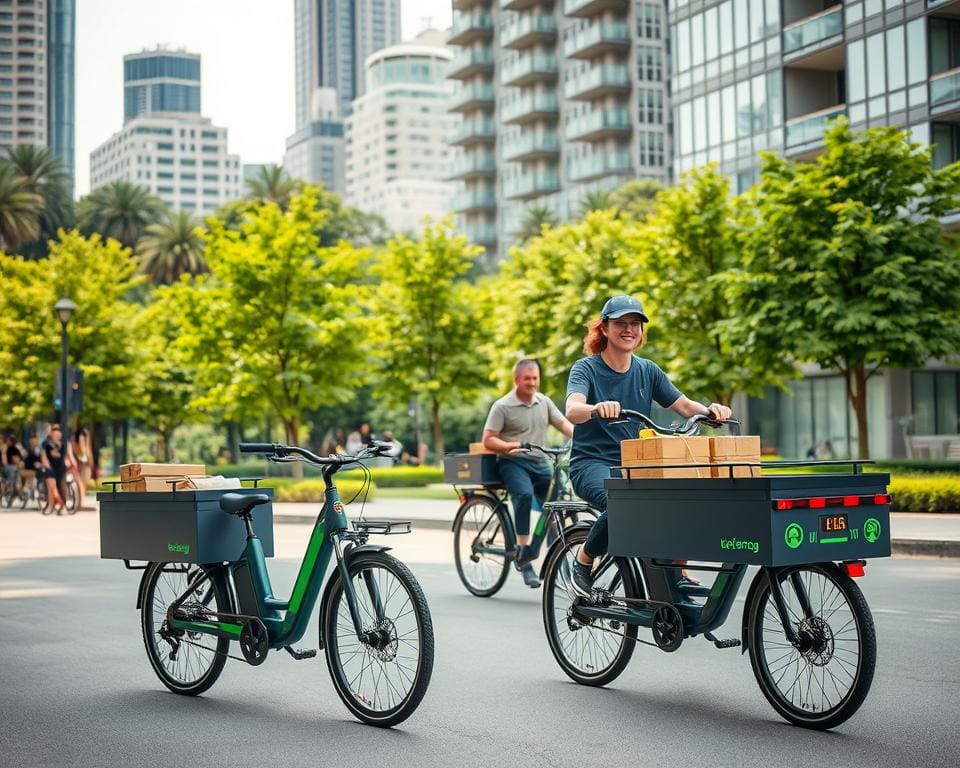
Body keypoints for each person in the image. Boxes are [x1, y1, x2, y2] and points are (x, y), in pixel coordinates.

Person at [564, 295, 731, 596]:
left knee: (679, 495)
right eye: (620, 324)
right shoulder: (585, 369)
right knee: (623, 502)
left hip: (636, 463)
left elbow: (682, 404)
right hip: (592, 464)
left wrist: (710, 411)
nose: (629, 329)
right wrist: (595, 408)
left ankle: (676, 571)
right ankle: (584, 561)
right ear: (604, 328)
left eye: (635, 324)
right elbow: (572, 409)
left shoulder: (647, 370)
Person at [482, 358, 574, 588]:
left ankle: (556, 554)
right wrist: (509, 446)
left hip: (541, 461)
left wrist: (581, 436)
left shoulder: (544, 402)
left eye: (535, 378)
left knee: (555, 504)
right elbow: (488, 439)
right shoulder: (502, 406)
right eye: (527, 379)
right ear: (516, 380)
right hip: (513, 462)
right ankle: (523, 555)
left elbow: (563, 424)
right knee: (523, 495)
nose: (532, 383)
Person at [40, 424, 70, 514]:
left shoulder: (64, 444)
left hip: (61, 468)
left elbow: (66, 457)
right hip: (50, 468)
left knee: (62, 487)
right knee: (52, 488)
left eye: (58, 433)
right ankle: (51, 505)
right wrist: (48, 466)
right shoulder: (46, 444)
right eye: (54, 432)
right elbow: (43, 456)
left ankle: (62, 506)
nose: (57, 435)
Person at [72, 425, 92, 508]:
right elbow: (84, 450)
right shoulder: (82, 437)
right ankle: (80, 503)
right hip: (83, 462)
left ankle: (80, 503)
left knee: (81, 483)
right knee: (81, 483)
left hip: (82, 461)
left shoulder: (76, 438)